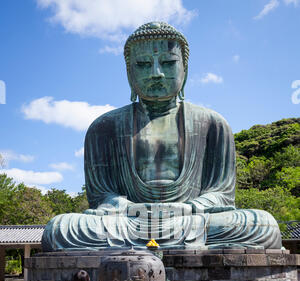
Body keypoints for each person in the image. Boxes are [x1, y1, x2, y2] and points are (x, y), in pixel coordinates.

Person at [42, 21, 282, 251]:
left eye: (167, 62)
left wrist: (187, 209)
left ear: (184, 69)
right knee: (61, 229)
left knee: (262, 225)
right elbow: (101, 196)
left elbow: (222, 194)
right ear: (129, 73)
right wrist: (129, 208)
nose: (156, 73)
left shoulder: (213, 125)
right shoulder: (104, 127)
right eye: (144, 65)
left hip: (190, 220)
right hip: (129, 222)